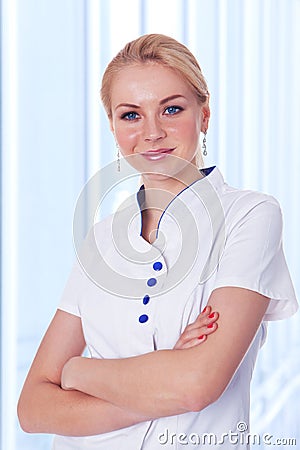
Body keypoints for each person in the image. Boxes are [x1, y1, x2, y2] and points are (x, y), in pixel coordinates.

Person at [18, 34, 298, 449]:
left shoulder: (250, 216)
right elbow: (33, 408)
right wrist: (162, 378)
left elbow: (197, 385)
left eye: (171, 109)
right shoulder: (102, 240)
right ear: (113, 127)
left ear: (204, 115)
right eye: (131, 115)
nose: (152, 132)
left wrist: (78, 373)